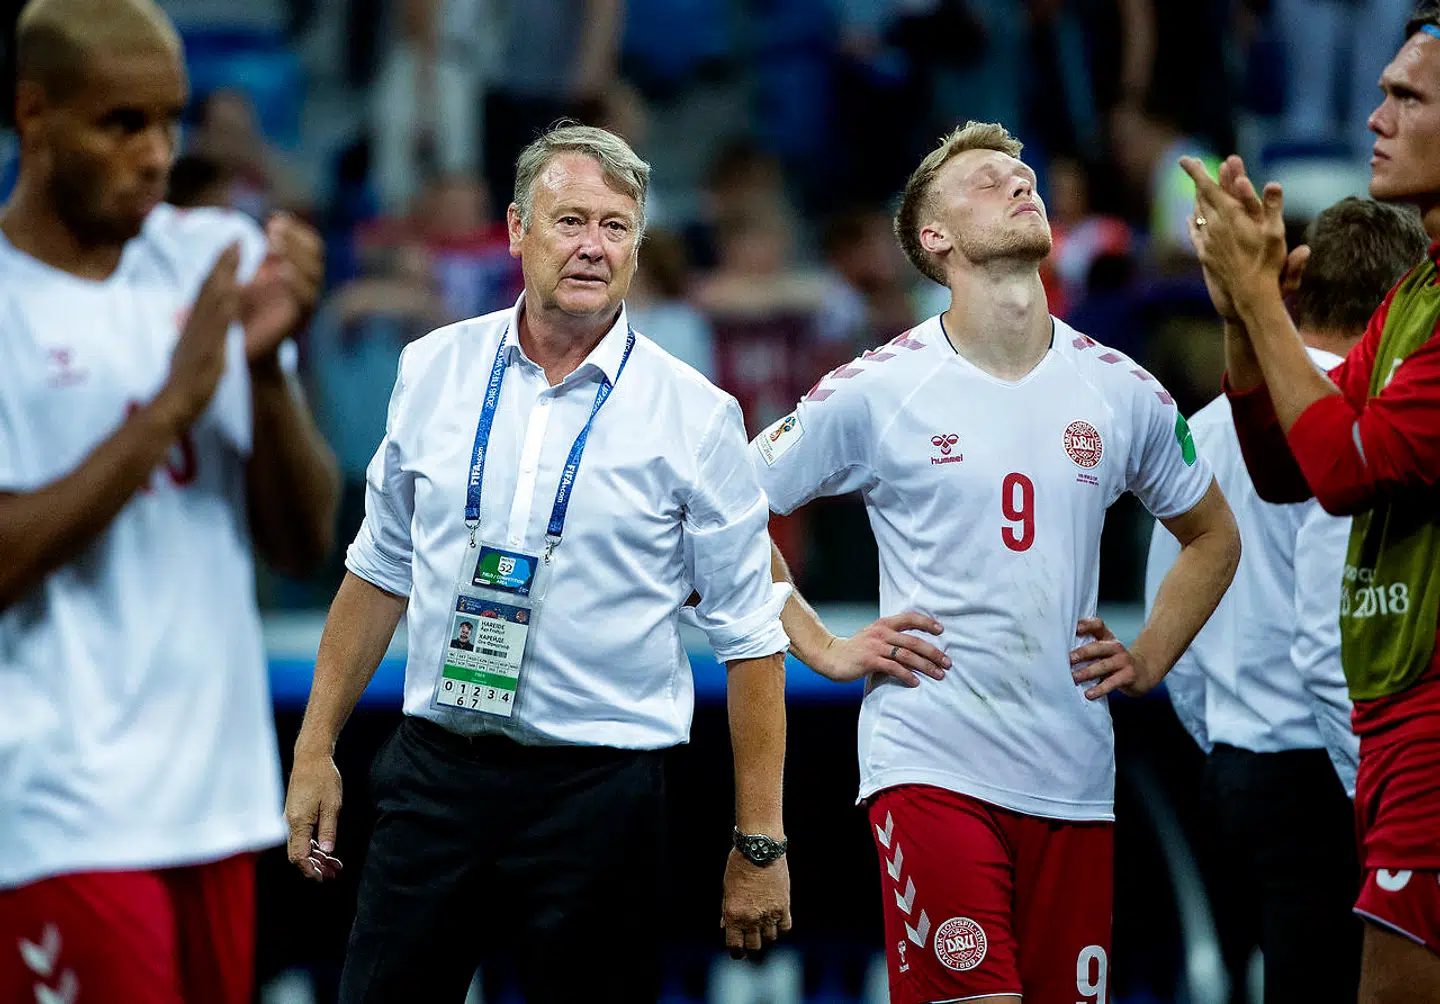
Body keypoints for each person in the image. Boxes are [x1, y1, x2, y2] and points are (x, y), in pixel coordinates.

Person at [283, 123, 793, 1003]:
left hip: (599, 798)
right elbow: (378, 570)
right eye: (571, 221)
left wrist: (761, 843)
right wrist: (314, 748)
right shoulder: (432, 368)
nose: (594, 246)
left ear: (638, 245)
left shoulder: (698, 414)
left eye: (617, 226)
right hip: (435, 774)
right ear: (517, 230)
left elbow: (751, 637)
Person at [752, 120, 1241, 1004]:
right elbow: (727, 511)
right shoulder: (877, 387)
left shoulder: (1121, 388)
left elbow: (1215, 533)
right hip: (932, 764)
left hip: (1075, 778)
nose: (1022, 185)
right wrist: (820, 647)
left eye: (1024, 175)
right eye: (987, 180)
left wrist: (1154, 652)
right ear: (934, 238)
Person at [0, 1, 339, 1003]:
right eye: (120, 124)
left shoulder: (208, 258)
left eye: (170, 121)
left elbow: (300, 537)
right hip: (63, 813)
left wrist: (269, 368)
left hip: (217, 802)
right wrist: (171, 407)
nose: (155, 155)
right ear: (35, 116)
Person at [1183, 6, 1440, 999]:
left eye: (1406, 97)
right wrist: (1244, 324)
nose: (1373, 116)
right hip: (1391, 721)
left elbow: (1346, 465)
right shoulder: (1413, 298)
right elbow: (1291, 463)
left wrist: (1261, 303)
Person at [1146, 196, 1429, 1002]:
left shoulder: (1204, 426)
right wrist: (1365, 783)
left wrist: (1224, 739)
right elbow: (1327, 635)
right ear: (1402, 300)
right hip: (1341, 776)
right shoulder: (1374, 429)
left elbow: (1176, 616)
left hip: (1237, 773)